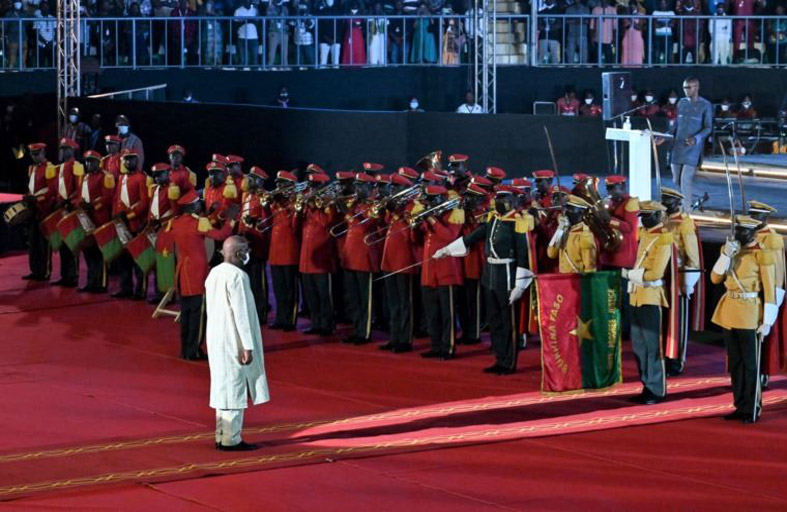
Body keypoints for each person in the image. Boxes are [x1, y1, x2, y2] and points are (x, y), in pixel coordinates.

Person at [435, 187, 534, 375]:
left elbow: (524, 256)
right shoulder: (492, 219)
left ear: (512, 200)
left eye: (503, 198)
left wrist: (519, 286)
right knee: (495, 320)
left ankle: (508, 362)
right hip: (490, 274)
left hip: (507, 275)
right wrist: (447, 250)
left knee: (507, 322)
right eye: (497, 197)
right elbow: (471, 238)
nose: (498, 201)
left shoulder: (518, 222)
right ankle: (499, 358)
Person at [205, 235, 270, 451]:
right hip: (234, 339)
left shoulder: (214, 273)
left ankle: (221, 434)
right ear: (239, 253)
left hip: (216, 336)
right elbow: (241, 314)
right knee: (234, 386)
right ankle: (231, 438)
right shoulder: (238, 276)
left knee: (222, 386)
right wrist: (247, 346)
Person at [710, 215, 777, 423]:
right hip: (730, 311)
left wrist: (767, 320)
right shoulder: (730, 250)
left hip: (749, 312)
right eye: (737, 231)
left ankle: (752, 407)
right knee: (736, 364)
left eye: (743, 232)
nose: (738, 235)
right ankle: (739, 404)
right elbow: (715, 278)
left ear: (753, 233)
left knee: (750, 364)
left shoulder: (762, 255)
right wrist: (726, 256)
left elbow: (769, 288)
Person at [168, 189, 235, 360]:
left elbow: (194, 224)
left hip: (182, 272)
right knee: (198, 315)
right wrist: (231, 221)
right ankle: (194, 350)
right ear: (193, 206)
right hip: (197, 273)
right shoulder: (199, 223)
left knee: (186, 313)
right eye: (198, 203)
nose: (200, 204)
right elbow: (220, 235)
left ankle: (185, 349)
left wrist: (208, 213)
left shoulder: (176, 222)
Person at [622, 200, 673, 405]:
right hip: (636, 296)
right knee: (639, 346)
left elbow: (656, 273)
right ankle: (646, 384)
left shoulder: (663, 239)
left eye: (647, 216)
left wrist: (630, 274)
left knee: (653, 347)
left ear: (657, 216)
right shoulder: (643, 234)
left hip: (651, 296)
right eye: (642, 216)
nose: (643, 220)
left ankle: (657, 389)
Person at [417, 185, 464, 360]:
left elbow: (449, 237)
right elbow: (419, 240)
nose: (427, 204)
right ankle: (435, 345)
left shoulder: (454, 214)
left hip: (447, 271)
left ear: (438, 200)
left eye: (430, 200)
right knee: (432, 313)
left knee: (447, 314)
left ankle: (449, 347)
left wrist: (432, 220)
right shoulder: (431, 218)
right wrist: (416, 225)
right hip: (429, 272)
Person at [661, 187, 702, 376]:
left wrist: (688, 282)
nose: (664, 202)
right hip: (662, 275)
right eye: (663, 199)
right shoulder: (661, 219)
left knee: (679, 321)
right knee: (664, 320)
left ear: (677, 203)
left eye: (668, 200)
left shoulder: (684, 223)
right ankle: (664, 355)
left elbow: (692, 256)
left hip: (678, 275)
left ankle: (677, 360)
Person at [659, 77, 713, 209]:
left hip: (693, 148)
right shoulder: (681, 103)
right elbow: (677, 125)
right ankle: (700, 195)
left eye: (689, 87)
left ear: (697, 87)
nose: (686, 90)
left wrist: (696, 138)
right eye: (684, 88)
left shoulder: (705, 105)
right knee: (676, 180)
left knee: (685, 180)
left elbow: (708, 127)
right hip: (678, 147)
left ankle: (685, 213)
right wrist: (664, 137)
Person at [297, 172, 338, 335]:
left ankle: (328, 324)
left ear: (322, 186)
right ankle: (316, 323)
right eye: (311, 186)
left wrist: (314, 208)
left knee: (324, 295)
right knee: (311, 295)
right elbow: (298, 223)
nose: (311, 189)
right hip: (307, 257)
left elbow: (326, 223)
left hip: (322, 259)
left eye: (315, 186)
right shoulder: (309, 201)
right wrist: (300, 209)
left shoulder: (329, 201)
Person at [74, 150, 115, 293]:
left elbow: (108, 197)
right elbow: (79, 196)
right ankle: (91, 282)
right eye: (87, 161)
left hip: (99, 219)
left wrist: (93, 205)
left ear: (99, 162)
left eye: (92, 161)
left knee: (100, 253)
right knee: (88, 252)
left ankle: (101, 283)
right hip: (86, 220)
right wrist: (79, 203)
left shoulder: (106, 177)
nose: (89, 164)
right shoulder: (83, 178)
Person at [111, 149, 149, 299]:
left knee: (138, 259)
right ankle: (125, 287)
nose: (128, 162)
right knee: (124, 258)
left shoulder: (141, 178)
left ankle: (140, 290)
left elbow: (144, 202)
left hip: (135, 224)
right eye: (125, 159)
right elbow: (116, 199)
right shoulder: (121, 178)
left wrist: (129, 215)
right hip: (122, 225)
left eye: (131, 159)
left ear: (136, 160)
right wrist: (115, 216)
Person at [268, 171, 301, 331]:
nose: (278, 187)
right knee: (279, 288)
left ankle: (290, 319)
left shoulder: (294, 203)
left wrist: (287, 206)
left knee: (289, 289)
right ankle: (280, 318)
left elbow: (294, 226)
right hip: (275, 252)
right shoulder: (277, 202)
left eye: (282, 183)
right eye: (278, 183)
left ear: (290, 185)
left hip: (289, 251)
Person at [51, 137, 82, 287]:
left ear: (72, 150)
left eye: (67, 149)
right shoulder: (61, 167)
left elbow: (80, 189)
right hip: (61, 209)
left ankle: (73, 275)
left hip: (70, 208)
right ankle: (65, 275)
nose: (64, 152)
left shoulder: (76, 166)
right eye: (62, 149)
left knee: (72, 244)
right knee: (63, 244)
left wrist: (71, 202)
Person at [22, 142, 56, 281]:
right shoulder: (31, 168)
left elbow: (51, 190)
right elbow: (32, 187)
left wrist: (37, 199)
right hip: (33, 209)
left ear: (43, 153)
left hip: (44, 209)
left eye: (37, 154)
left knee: (43, 243)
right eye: (32, 154)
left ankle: (45, 271)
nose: (34, 157)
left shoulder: (49, 167)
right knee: (33, 241)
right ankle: (35, 270)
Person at [547, 194, 597, 273]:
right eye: (566, 209)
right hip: (563, 280)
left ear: (581, 213)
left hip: (576, 281)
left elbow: (590, 268)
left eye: (571, 209)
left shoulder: (585, 235)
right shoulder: (564, 231)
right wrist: (560, 229)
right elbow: (551, 253)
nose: (566, 213)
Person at [590, 0, 616, 64]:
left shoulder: (612, 10)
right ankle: (595, 73)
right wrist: (592, 38)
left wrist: (614, 38)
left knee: (609, 60)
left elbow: (615, 26)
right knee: (596, 60)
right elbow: (592, 25)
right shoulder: (595, 9)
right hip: (597, 38)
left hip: (609, 38)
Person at [316, 0, 342, 68]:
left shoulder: (339, 11)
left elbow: (340, 27)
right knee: (323, 62)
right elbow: (319, 27)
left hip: (336, 40)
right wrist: (326, 38)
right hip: (324, 40)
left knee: (335, 63)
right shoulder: (321, 12)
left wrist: (335, 38)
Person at [234, 0, 259, 67]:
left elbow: (258, 22)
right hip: (242, 37)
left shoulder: (255, 10)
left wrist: (250, 21)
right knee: (243, 60)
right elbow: (235, 24)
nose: (248, 2)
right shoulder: (238, 10)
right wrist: (246, 21)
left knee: (255, 59)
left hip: (254, 37)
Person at [564, 0, 590, 64]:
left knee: (583, 52)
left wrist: (574, 20)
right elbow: (566, 21)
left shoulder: (586, 9)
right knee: (570, 52)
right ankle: (570, 67)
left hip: (583, 34)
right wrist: (579, 20)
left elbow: (587, 21)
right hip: (571, 34)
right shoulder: (569, 9)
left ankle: (583, 67)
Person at [621, 0, 645, 66]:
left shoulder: (641, 15)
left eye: (634, 7)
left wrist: (631, 21)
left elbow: (639, 27)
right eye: (631, 7)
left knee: (637, 53)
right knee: (626, 53)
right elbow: (626, 26)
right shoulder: (626, 15)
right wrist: (631, 21)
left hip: (637, 37)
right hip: (627, 36)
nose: (632, 8)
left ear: (637, 7)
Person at [653, 0, 675, 64]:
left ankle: (669, 66)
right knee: (657, 52)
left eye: (664, 3)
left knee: (669, 52)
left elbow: (672, 25)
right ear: (659, 4)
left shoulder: (671, 13)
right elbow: (655, 25)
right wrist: (666, 24)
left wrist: (661, 24)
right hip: (658, 35)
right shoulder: (655, 12)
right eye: (661, 3)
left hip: (668, 35)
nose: (663, 5)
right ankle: (656, 66)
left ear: (666, 4)